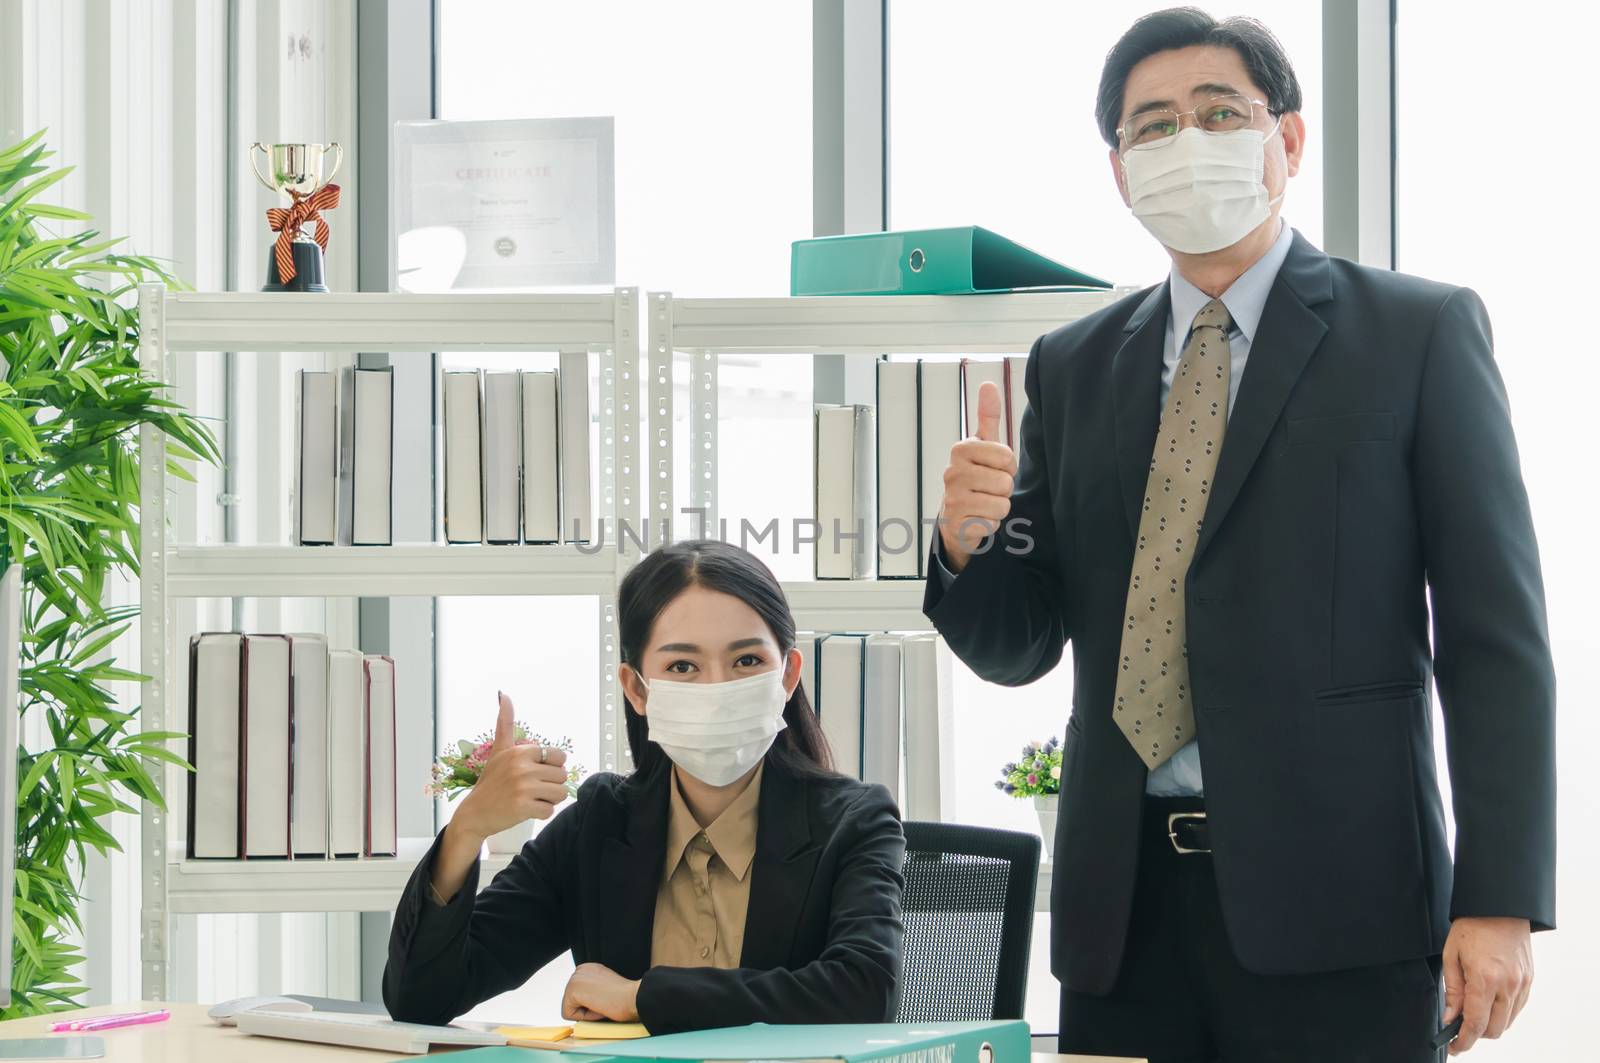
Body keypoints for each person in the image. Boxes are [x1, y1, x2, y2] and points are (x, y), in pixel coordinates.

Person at [925, 8, 1554, 1062]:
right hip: (1122, 920)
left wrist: (1499, 901)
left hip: (1346, 909)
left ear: (1287, 141)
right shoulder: (1072, 366)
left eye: (1219, 113)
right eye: (1153, 126)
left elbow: (1495, 638)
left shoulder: (1415, 333)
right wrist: (964, 545)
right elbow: (1018, 645)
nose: (1186, 142)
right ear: (1120, 172)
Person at [384, 539, 906, 1032]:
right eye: (683, 665)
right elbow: (422, 998)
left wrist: (640, 998)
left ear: (787, 676)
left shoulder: (854, 821)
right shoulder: (599, 825)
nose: (718, 688)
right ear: (636, 688)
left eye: (747, 661)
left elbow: (864, 992)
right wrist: (468, 828)